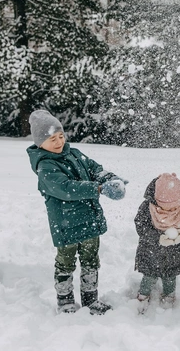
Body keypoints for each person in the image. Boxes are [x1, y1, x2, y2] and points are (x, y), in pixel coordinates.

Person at [26, 110, 127, 315]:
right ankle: (65, 302)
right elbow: (66, 188)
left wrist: (110, 179)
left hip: (89, 220)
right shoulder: (45, 166)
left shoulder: (74, 154)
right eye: (52, 139)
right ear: (40, 143)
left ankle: (91, 299)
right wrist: (97, 189)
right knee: (66, 263)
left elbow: (94, 169)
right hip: (66, 224)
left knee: (91, 261)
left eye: (61, 136)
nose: (58, 142)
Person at [134, 173, 180, 313]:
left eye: (175, 207)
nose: (173, 210)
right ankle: (143, 295)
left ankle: (169, 295)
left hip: (174, 252)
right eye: (168, 207)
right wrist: (158, 238)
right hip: (151, 252)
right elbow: (141, 227)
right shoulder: (147, 208)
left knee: (170, 276)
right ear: (158, 200)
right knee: (149, 276)